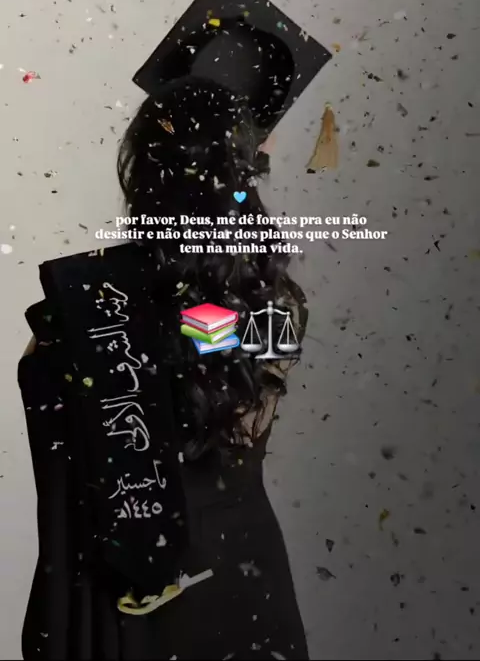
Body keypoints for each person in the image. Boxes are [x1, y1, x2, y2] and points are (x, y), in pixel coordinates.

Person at [19, 77, 309, 660]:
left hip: (119, 600)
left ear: (141, 182)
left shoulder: (79, 309)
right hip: (241, 583)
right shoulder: (274, 304)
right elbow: (218, 380)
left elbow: (59, 454)